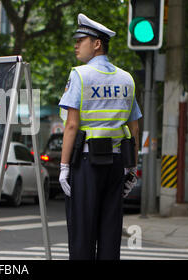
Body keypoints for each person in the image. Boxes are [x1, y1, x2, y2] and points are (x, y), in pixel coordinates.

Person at [58, 13, 142, 260]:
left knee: (83, 232)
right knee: (110, 232)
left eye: (81, 39)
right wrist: (132, 169)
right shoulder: (126, 79)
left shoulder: (80, 75)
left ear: (97, 44)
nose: (76, 44)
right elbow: (134, 129)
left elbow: (72, 126)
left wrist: (63, 167)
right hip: (116, 165)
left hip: (86, 164)